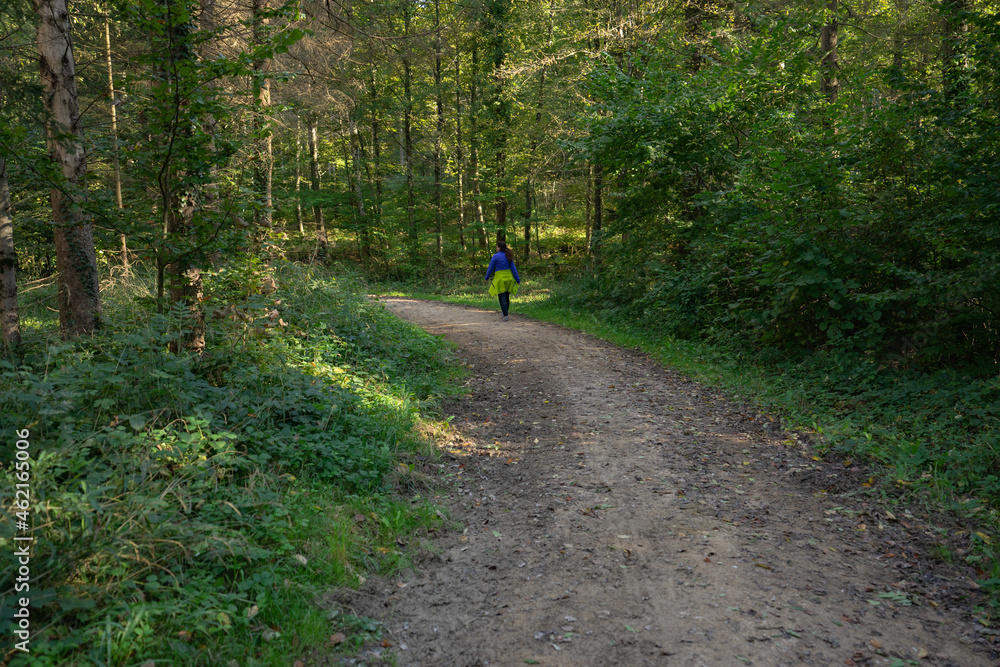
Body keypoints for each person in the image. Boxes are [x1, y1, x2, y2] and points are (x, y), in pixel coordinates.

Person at [484, 241, 520, 321]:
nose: (496, 248)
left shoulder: (495, 256)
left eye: (497, 247)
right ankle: (505, 312)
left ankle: (505, 314)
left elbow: (490, 268)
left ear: (499, 247)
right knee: (507, 296)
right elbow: (513, 269)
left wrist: (486, 277)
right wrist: (517, 279)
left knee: (502, 297)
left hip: (500, 279)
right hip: (509, 278)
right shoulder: (508, 255)